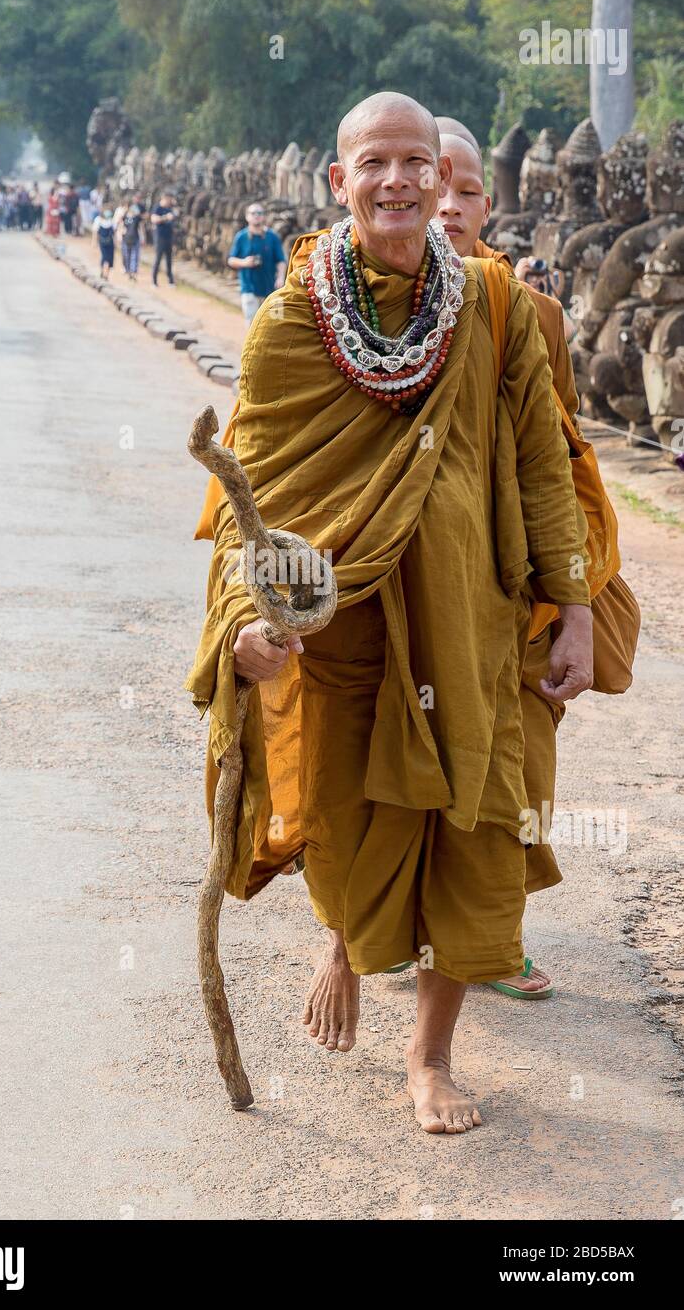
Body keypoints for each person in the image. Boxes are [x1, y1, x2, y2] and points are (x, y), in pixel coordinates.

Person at [187, 92, 594, 1136]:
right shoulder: (288, 322)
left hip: (469, 620)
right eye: (377, 163)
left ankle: (429, 1057)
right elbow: (254, 503)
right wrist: (242, 621)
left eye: (419, 161)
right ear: (339, 181)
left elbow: (545, 466)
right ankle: (347, 941)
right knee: (342, 821)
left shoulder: (492, 306)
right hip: (345, 631)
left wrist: (576, 605)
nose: (402, 181)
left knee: (469, 824)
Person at [434, 120, 624, 1003]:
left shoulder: (532, 311)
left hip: (511, 591)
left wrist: (574, 598)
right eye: (429, 184)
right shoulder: (339, 305)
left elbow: (561, 457)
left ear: (488, 199)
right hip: (405, 585)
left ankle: (497, 938)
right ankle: (384, 933)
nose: (446, 206)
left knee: (519, 764)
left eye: (466, 189)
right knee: (392, 763)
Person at [227, 203, 287, 321]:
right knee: (252, 325)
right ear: (247, 217)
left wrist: (280, 277)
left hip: (271, 289)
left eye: (259, 213)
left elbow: (281, 260)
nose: (256, 216)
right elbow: (231, 260)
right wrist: (244, 262)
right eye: (253, 213)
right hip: (249, 289)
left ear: (264, 216)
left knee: (276, 324)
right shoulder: (241, 237)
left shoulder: (272, 237)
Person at [149, 190, 178, 286]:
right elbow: (154, 219)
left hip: (168, 237)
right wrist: (165, 218)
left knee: (169, 260)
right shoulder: (157, 208)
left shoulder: (170, 209)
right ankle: (154, 280)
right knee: (158, 259)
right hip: (160, 237)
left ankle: (170, 280)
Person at [120, 198, 143, 280]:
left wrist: (143, 237)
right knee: (127, 256)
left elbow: (140, 227)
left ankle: (133, 272)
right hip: (126, 239)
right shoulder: (124, 217)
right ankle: (128, 271)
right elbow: (121, 226)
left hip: (135, 238)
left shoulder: (137, 217)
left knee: (134, 256)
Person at [95, 206, 115, 280]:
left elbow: (114, 233)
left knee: (107, 258)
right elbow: (96, 232)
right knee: (106, 258)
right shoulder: (99, 220)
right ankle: (105, 273)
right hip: (105, 242)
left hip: (107, 243)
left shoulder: (111, 221)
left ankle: (105, 273)